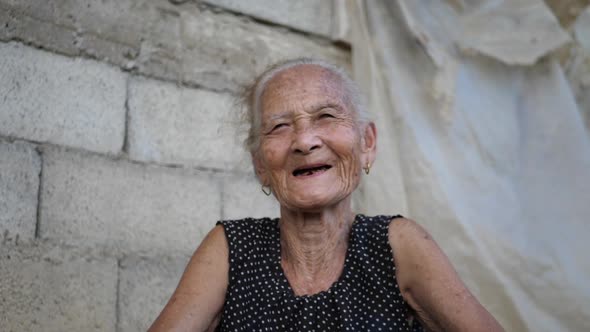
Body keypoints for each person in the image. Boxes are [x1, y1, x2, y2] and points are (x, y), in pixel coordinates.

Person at [148, 58, 505, 331]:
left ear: (367, 143)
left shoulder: (397, 245)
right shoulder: (231, 249)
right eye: (279, 126)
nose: (305, 141)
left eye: (326, 116)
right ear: (260, 164)